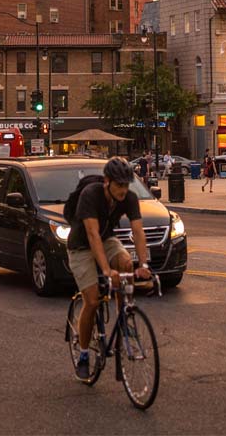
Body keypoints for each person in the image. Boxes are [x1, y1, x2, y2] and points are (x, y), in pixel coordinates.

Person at [67, 157, 152, 381]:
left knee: (126, 263)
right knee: (93, 300)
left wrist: (143, 265)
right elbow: (92, 235)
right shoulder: (91, 195)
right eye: (119, 185)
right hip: (81, 245)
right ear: (107, 181)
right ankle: (84, 355)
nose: (124, 190)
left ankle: (124, 319)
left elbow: (138, 231)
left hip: (106, 239)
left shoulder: (129, 198)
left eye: (127, 185)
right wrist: (105, 270)